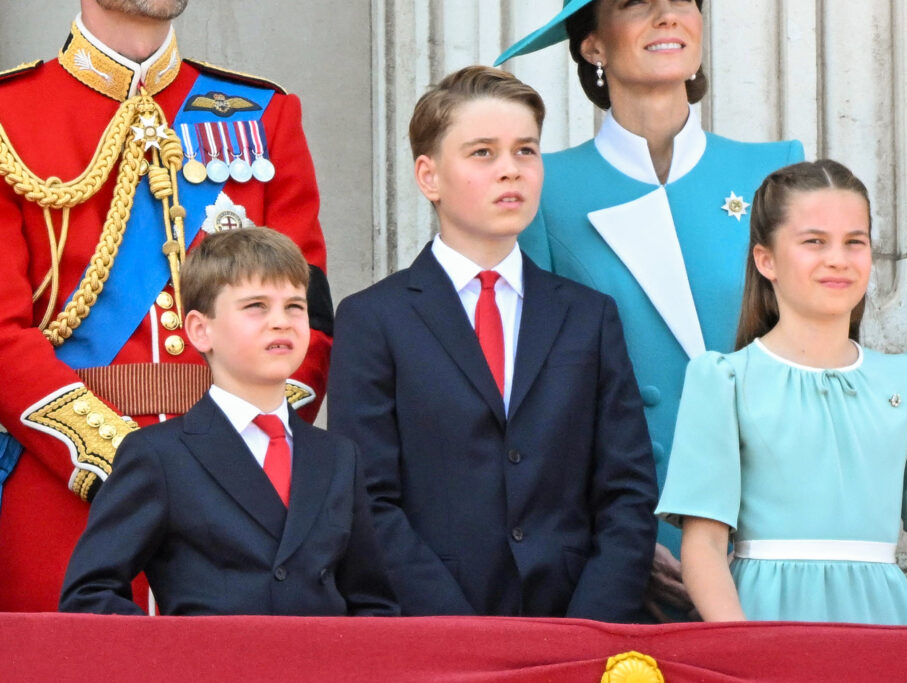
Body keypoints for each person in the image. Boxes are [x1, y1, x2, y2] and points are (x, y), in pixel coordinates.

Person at [0, 0, 331, 612]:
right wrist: (118, 461)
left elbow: (308, 317)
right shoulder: (9, 113)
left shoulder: (263, 114)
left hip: (237, 492)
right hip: (61, 488)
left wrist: (242, 452)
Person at [496, 0, 803, 618]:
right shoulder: (545, 189)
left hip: (771, 529)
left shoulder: (773, 168)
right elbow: (545, 400)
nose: (669, 14)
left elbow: (812, 356)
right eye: (637, 2)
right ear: (592, 46)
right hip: (632, 538)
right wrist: (623, 543)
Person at [328, 65, 658, 621]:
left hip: (575, 629)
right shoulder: (373, 319)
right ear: (428, 176)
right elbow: (367, 500)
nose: (512, 170)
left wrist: (587, 627)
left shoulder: (587, 316)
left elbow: (626, 492)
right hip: (433, 633)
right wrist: (460, 631)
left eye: (526, 151)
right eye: (483, 153)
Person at [655, 159, 907, 625]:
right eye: (814, 242)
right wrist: (740, 651)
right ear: (767, 260)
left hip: (886, 625)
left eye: (854, 242)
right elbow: (705, 544)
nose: (838, 258)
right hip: (764, 622)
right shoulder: (725, 381)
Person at [59, 228, 397, 617]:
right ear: (201, 330)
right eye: (256, 306)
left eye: (294, 306)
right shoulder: (159, 455)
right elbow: (89, 595)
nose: (281, 322)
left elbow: (372, 603)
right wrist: (175, 660)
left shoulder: (338, 456)